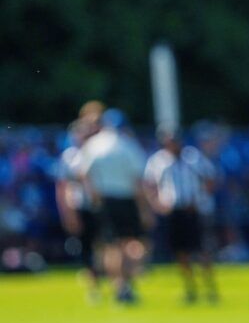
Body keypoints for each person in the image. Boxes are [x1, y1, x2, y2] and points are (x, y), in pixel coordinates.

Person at [79, 108, 152, 303]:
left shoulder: (92, 145)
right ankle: (126, 284)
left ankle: (117, 285)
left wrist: (94, 197)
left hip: (105, 199)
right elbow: (138, 181)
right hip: (126, 199)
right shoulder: (128, 145)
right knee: (132, 243)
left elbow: (84, 174)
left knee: (111, 246)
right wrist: (145, 209)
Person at [144, 124, 219, 303]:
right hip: (173, 211)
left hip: (192, 210)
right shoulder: (158, 161)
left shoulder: (193, 157)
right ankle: (190, 287)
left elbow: (210, 178)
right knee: (180, 251)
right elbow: (149, 184)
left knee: (201, 250)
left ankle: (210, 287)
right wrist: (158, 204)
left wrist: (200, 199)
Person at [55, 110, 103, 301]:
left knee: (105, 245)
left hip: (99, 205)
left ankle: (117, 282)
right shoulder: (69, 157)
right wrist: (67, 213)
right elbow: (62, 187)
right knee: (86, 247)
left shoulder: (98, 152)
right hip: (80, 206)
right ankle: (93, 286)